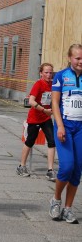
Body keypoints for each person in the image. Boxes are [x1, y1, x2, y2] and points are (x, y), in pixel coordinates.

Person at [49, 44, 82, 224]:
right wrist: (60, 126)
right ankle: (56, 200)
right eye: (77, 58)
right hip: (65, 126)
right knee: (67, 166)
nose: (80, 61)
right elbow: (55, 103)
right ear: (70, 58)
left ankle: (68, 209)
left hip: (81, 128)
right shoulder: (61, 76)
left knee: (77, 170)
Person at [16, 63, 56, 181]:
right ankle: (21, 166)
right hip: (35, 118)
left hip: (46, 118)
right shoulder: (38, 84)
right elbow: (31, 101)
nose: (49, 75)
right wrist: (44, 110)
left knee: (52, 141)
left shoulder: (53, 84)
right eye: (46, 72)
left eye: (50, 73)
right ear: (41, 73)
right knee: (30, 141)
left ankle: (50, 170)